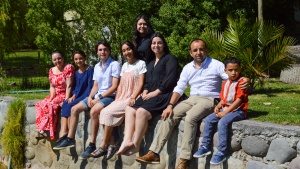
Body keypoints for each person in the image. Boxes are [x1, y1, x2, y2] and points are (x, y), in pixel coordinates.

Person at [135, 39, 249, 169]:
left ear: (206, 51)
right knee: (169, 115)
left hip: (210, 99)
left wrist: (245, 79)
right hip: (191, 98)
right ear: (191, 53)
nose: (198, 52)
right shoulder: (188, 67)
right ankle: (154, 153)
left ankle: (184, 160)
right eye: (195, 50)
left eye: (201, 49)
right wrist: (170, 105)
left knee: (190, 118)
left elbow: (232, 75)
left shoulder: (216, 65)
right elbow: (179, 87)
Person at [53, 41, 121, 161]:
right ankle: (70, 139)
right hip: (97, 96)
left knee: (94, 111)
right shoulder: (97, 66)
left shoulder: (114, 64)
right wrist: (90, 97)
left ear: (109, 51)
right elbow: (95, 85)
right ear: (97, 52)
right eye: (100, 50)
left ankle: (92, 144)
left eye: (105, 49)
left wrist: (98, 98)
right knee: (74, 109)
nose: (102, 52)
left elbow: (114, 86)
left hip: (109, 96)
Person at [116, 33, 179, 156]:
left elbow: (170, 80)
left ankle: (136, 145)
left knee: (140, 112)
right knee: (129, 108)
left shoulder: (170, 59)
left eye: (159, 43)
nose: (156, 45)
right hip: (150, 94)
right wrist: (145, 91)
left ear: (164, 45)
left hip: (164, 95)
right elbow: (147, 81)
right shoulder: (150, 63)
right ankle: (127, 140)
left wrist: (155, 92)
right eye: (154, 43)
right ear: (151, 46)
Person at [89, 41, 146, 160]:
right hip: (122, 95)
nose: (127, 52)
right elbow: (121, 85)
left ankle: (104, 145)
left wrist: (133, 97)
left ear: (133, 49)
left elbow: (140, 83)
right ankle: (113, 143)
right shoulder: (125, 65)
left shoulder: (140, 64)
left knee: (107, 112)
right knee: (104, 111)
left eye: (128, 49)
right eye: (124, 51)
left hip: (132, 96)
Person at [193, 57, 248, 165]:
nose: (233, 73)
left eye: (236, 70)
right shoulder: (225, 83)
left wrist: (224, 113)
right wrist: (218, 106)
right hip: (225, 108)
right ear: (225, 71)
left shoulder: (241, 83)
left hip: (238, 111)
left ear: (240, 69)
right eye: (230, 70)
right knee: (209, 119)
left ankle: (222, 152)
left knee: (223, 122)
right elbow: (224, 98)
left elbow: (238, 100)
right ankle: (205, 146)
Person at [55, 50, 94, 144]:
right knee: (65, 104)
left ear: (84, 58)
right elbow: (76, 87)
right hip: (78, 94)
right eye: (76, 59)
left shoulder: (90, 70)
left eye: (80, 58)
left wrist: (84, 96)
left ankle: (68, 135)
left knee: (71, 106)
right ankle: (64, 132)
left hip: (86, 95)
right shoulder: (76, 73)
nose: (78, 61)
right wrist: (73, 95)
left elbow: (90, 85)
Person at [35, 51, 75, 140]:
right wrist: (52, 97)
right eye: (55, 59)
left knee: (50, 105)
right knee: (40, 104)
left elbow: (69, 85)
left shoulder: (68, 68)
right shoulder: (51, 70)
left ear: (63, 58)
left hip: (64, 93)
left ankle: (49, 130)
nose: (57, 61)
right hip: (55, 94)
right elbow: (52, 86)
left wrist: (66, 99)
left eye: (59, 58)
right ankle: (41, 129)